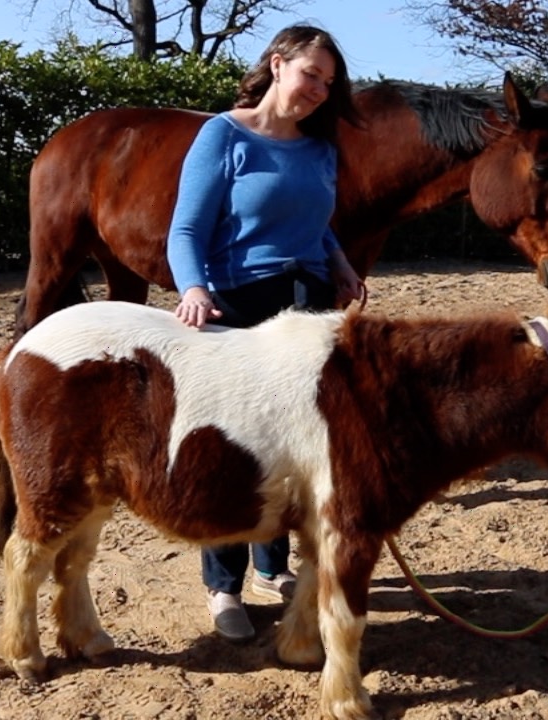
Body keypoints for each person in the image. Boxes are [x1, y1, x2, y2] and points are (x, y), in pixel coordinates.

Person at [165, 24, 368, 642]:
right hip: (237, 305)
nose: (319, 90)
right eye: (312, 74)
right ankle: (222, 586)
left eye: (329, 83)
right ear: (277, 65)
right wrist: (194, 289)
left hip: (306, 308)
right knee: (237, 449)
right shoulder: (223, 135)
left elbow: (316, 224)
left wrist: (339, 261)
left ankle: (270, 568)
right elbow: (186, 231)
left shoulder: (321, 148)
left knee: (294, 444)